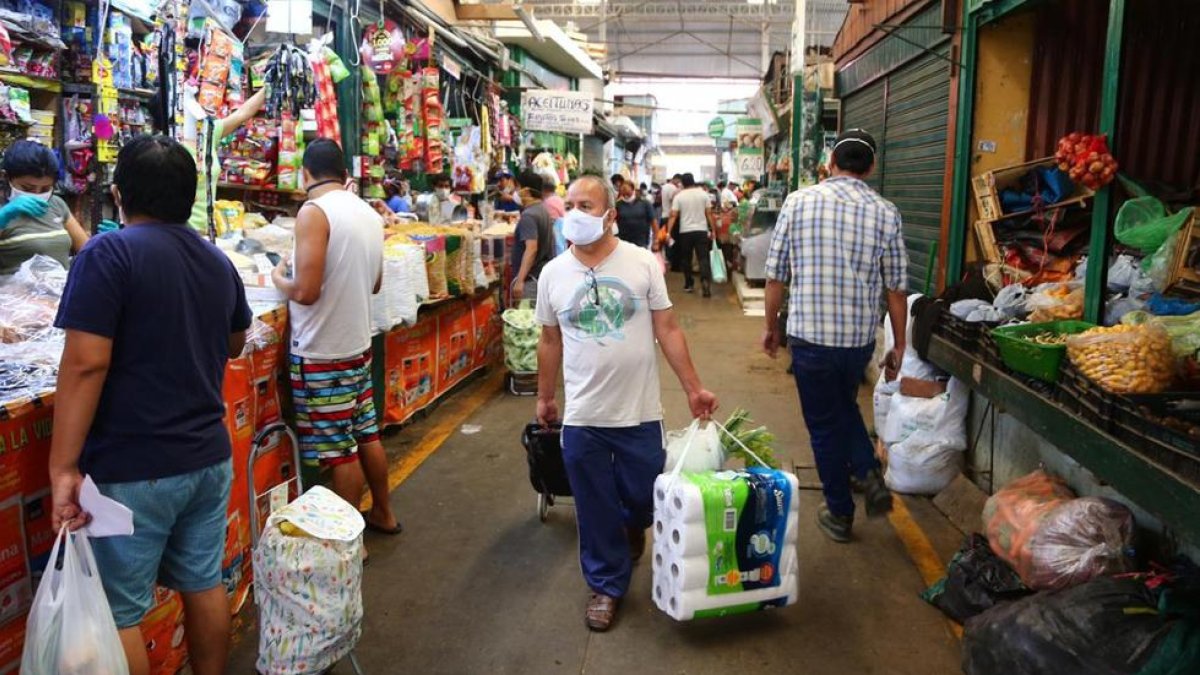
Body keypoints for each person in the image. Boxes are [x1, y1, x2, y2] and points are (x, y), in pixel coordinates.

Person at [49, 135, 252, 675]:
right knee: (203, 582)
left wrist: (63, 467)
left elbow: (85, 362)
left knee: (117, 612)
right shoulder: (215, 260)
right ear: (190, 197)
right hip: (207, 458)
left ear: (119, 194)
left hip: (134, 467)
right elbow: (235, 342)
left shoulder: (107, 253)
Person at [535, 174, 718, 632]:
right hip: (583, 415)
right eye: (570, 204)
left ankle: (632, 525)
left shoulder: (641, 263)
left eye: (587, 206)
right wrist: (545, 396)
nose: (575, 213)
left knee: (642, 497)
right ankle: (606, 585)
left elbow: (667, 329)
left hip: (639, 412)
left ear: (610, 215)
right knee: (594, 505)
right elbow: (549, 340)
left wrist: (694, 388)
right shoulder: (554, 274)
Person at [761, 129, 908, 543]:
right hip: (857, 341)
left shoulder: (798, 202)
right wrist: (899, 344)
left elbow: (775, 275)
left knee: (825, 425)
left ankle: (841, 512)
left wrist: (770, 327)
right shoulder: (886, 212)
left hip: (810, 338)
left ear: (829, 164)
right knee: (843, 407)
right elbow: (896, 288)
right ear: (872, 167)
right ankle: (866, 471)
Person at [271, 139, 401, 546]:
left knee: (338, 451)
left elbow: (306, 292)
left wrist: (278, 278)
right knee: (366, 435)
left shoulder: (315, 212)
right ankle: (383, 512)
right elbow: (375, 283)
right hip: (356, 347)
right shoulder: (369, 214)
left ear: (305, 174)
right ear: (344, 173)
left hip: (321, 352)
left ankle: (346, 543)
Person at [184, 87, 267, 234]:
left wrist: (269, 85)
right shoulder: (168, 145)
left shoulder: (208, 132)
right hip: (183, 230)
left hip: (207, 229)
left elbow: (243, 113)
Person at [0, 140, 89, 274]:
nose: (37, 194)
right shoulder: (5, 211)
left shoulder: (56, 204)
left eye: (45, 189)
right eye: (27, 188)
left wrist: (106, 239)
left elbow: (87, 250)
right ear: (6, 177)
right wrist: (3, 217)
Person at [665, 172, 717, 297]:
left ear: (682, 183)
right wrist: (713, 230)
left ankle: (689, 283)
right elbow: (709, 213)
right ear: (693, 181)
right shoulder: (703, 194)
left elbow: (673, 215)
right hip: (701, 231)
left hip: (685, 232)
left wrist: (668, 232)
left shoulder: (679, 196)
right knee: (703, 258)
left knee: (686, 259)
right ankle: (705, 281)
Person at [510, 170, 555, 302]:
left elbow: (531, 249)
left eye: (518, 188)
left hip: (530, 281)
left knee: (527, 313)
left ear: (526, 191)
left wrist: (520, 280)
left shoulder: (529, 215)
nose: (516, 192)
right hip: (540, 277)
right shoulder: (542, 209)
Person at [614, 177, 657, 248]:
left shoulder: (645, 203)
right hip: (624, 242)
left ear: (632, 188)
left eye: (626, 189)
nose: (624, 192)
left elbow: (654, 222)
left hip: (641, 242)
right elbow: (613, 221)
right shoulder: (618, 205)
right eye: (622, 190)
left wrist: (656, 240)